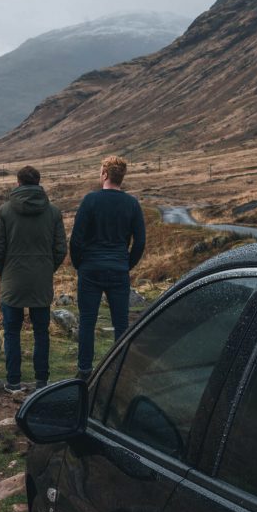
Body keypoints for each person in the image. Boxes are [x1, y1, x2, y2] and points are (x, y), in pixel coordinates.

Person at [0, 165, 67, 392]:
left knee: (12, 331)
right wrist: (47, 269)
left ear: (18, 183)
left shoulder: (5, 211)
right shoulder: (53, 212)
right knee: (41, 332)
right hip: (41, 280)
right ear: (39, 183)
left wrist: (3, 273)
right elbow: (61, 248)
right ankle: (42, 382)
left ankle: (13, 382)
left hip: (12, 280)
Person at [69, 156, 146, 380]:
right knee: (121, 322)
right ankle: (118, 370)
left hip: (90, 269)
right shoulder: (131, 204)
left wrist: (79, 264)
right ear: (121, 177)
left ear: (104, 174)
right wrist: (126, 264)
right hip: (118, 269)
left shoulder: (90, 201)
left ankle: (84, 371)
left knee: (87, 321)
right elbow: (140, 242)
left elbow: (76, 240)